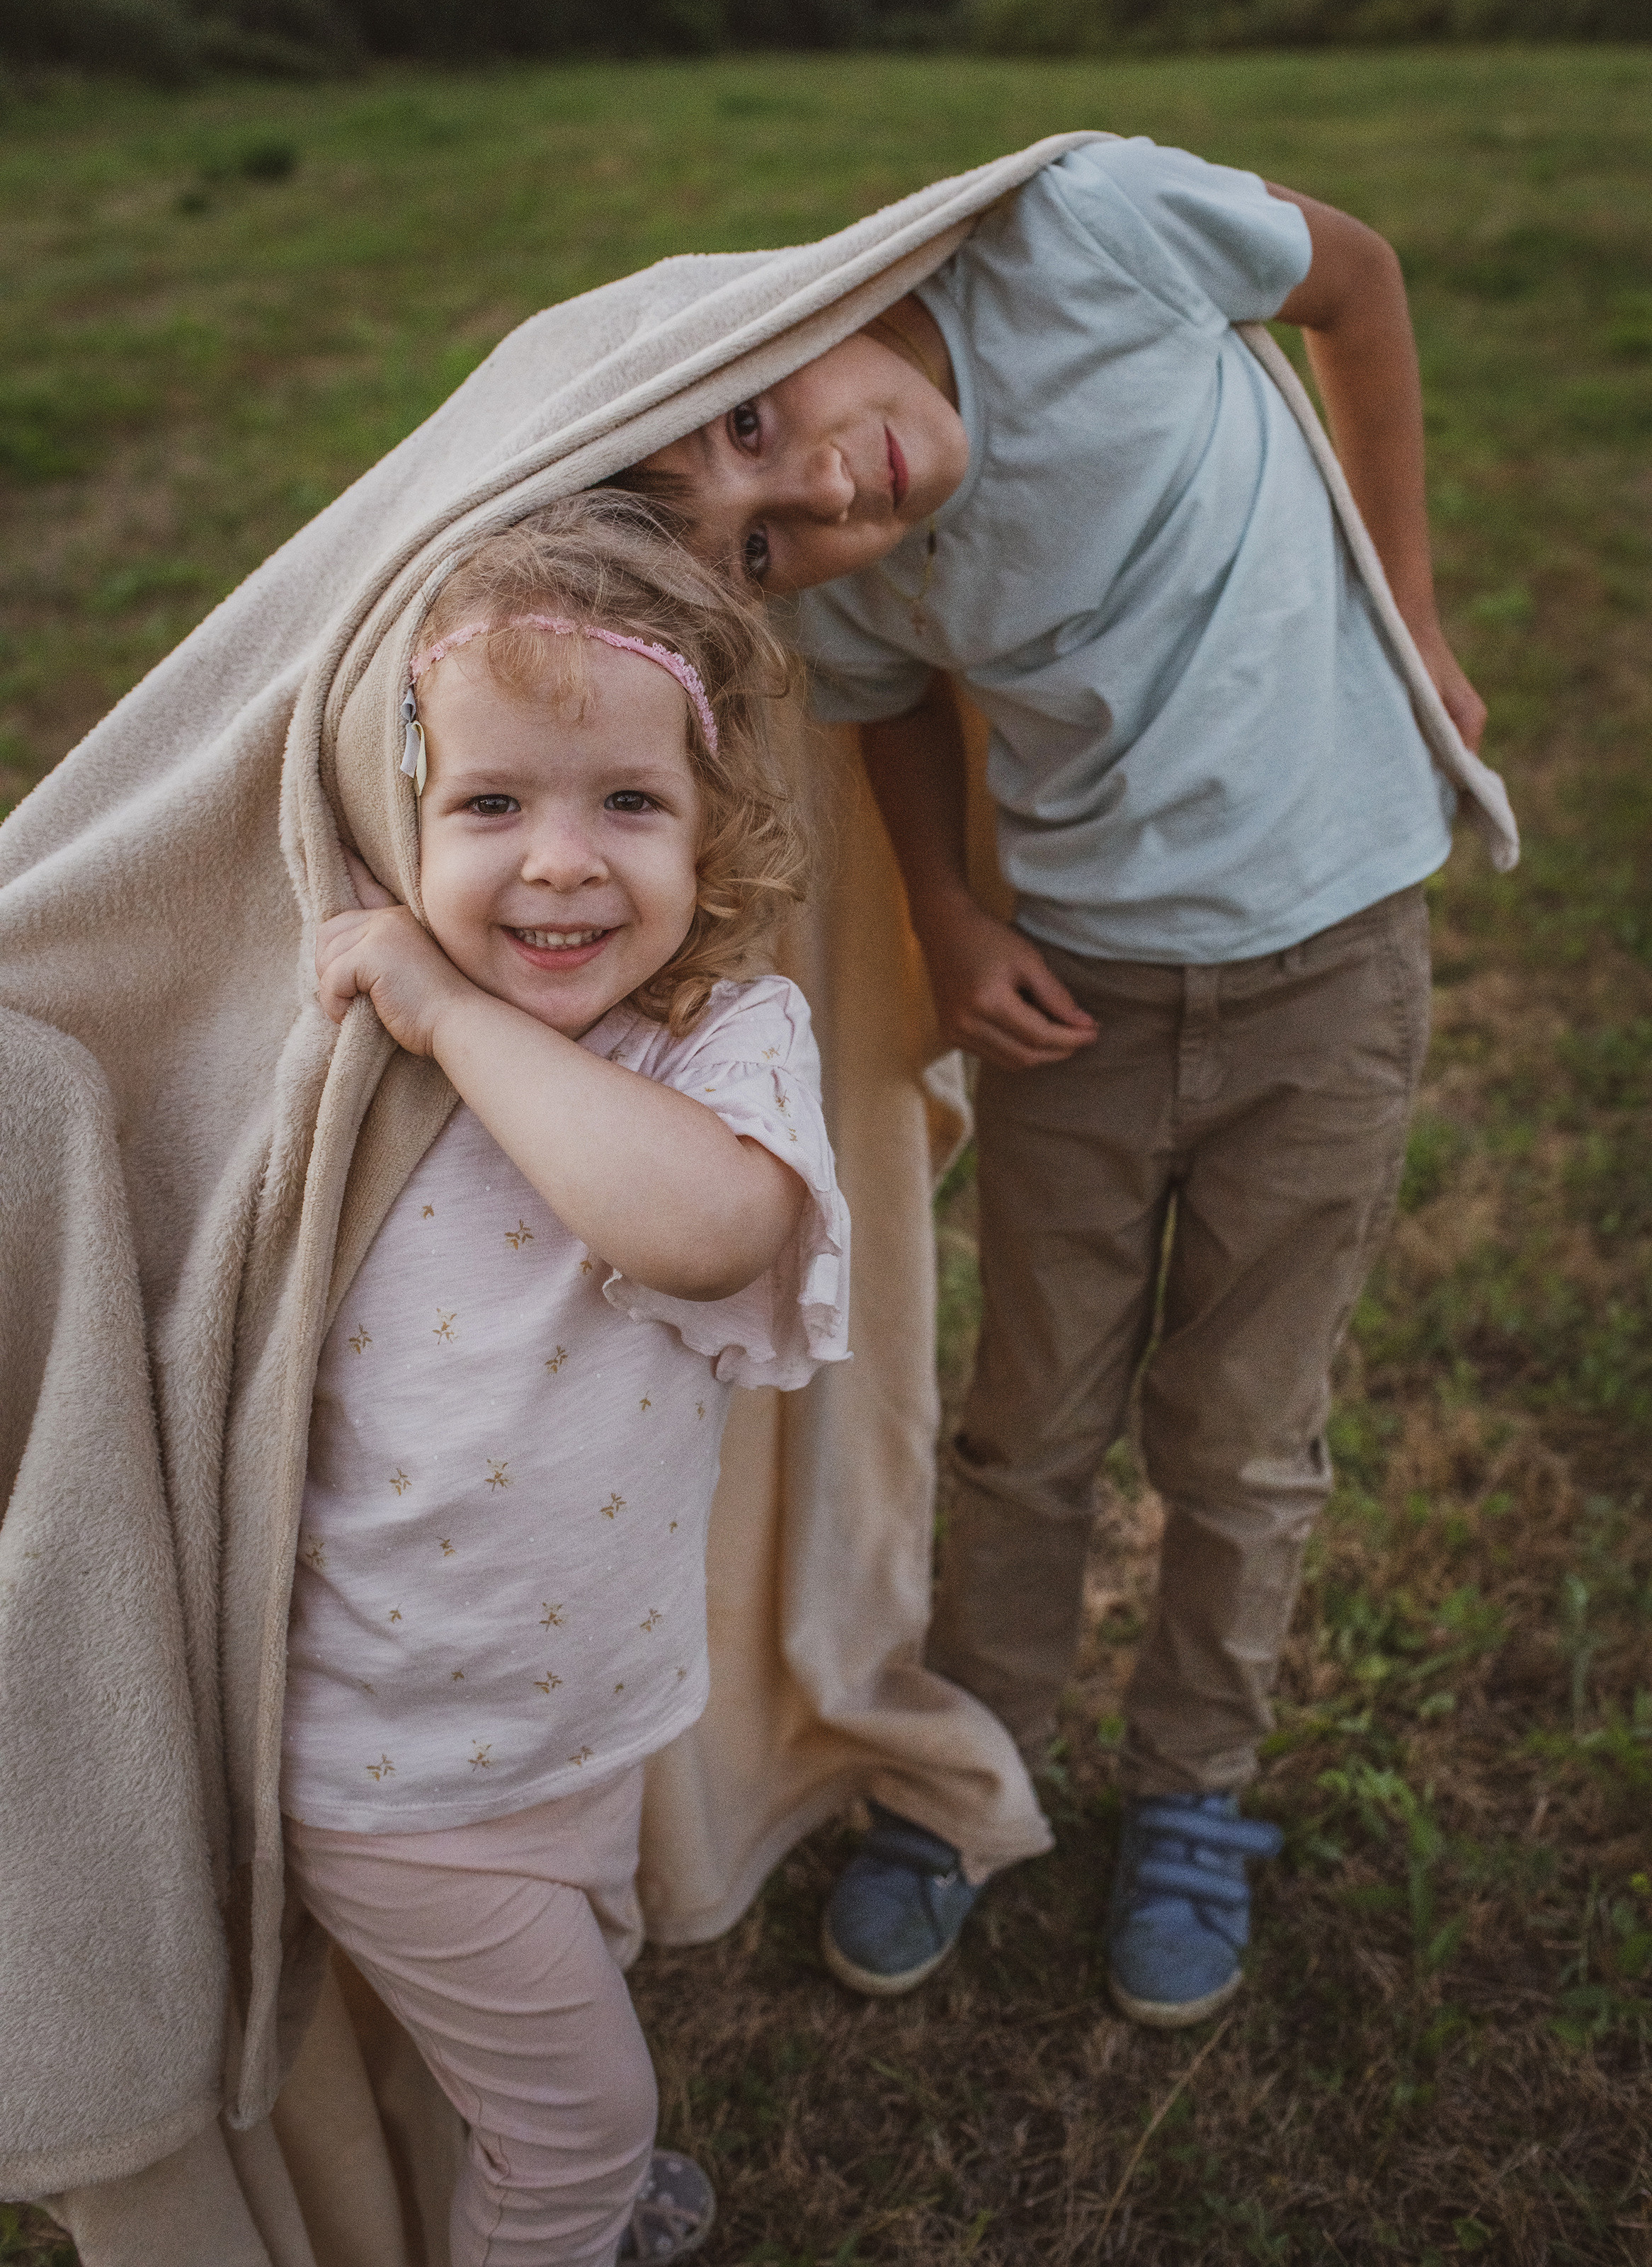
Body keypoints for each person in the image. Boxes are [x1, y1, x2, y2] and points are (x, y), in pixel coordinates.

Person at [633, 136, 1491, 2028]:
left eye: (766, 419)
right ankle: (970, 1770)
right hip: (1076, 1006)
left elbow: (1352, 283)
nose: (811, 490)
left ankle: (1192, 1791)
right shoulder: (837, 590)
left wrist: (1406, 607)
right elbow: (873, 713)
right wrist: (943, 913)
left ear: (820, 301)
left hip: (1330, 970)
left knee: (1241, 1434)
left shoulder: (1084, 232)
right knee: (1028, 1421)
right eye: (756, 532)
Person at [285, 498, 850, 2263]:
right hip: (388, 1760)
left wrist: (459, 1019)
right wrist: (419, 1016)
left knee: (573, 1977)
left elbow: (695, 1227)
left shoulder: (720, 1036)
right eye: (491, 803)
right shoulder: (347, 1062)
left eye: (629, 801)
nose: (559, 863)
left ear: (714, 826)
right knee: (582, 2120)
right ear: (402, 821)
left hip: (580, 1708)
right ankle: (567, 2212)